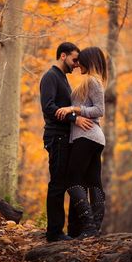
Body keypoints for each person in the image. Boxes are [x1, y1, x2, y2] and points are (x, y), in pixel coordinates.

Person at [40, 42, 94, 242]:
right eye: (74, 59)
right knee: (57, 184)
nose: (76, 64)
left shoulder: (62, 78)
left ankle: (71, 231)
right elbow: (48, 107)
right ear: (63, 56)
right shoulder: (50, 77)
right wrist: (75, 118)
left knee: (68, 182)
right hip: (56, 136)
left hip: (65, 137)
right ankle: (54, 233)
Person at [56, 46, 107, 239]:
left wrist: (73, 109)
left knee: (73, 180)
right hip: (93, 137)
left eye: (80, 62)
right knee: (93, 181)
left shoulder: (93, 81)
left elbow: (99, 110)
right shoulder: (91, 82)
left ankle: (89, 226)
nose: (77, 66)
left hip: (86, 137)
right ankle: (93, 229)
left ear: (89, 61)